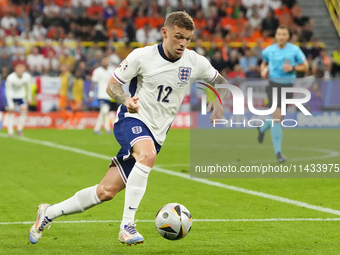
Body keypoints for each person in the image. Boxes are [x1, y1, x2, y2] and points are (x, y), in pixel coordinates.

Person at [28, 11, 228, 246]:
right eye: (178, 36)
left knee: (105, 192)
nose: (183, 43)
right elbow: (112, 86)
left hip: (157, 133)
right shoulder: (141, 56)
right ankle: (127, 226)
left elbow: (221, 83)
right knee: (147, 155)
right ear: (164, 33)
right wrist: (126, 100)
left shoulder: (195, 62)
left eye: (188, 38)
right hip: (131, 119)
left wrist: (218, 105)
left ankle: (48, 213)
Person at [258, 25, 308, 163]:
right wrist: (263, 70)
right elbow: (264, 63)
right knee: (276, 118)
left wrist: (292, 67)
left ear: (288, 36)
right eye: (279, 33)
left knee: (279, 118)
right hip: (273, 85)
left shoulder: (294, 50)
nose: (281, 36)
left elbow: (305, 66)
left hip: (288, 87)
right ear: (275, 35)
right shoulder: (268, 50)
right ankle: (278, 152)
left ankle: (262, 128)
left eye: (284, 34)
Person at [5, 63, 32, 137]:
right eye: (18, 68)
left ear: (24, 69)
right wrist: (10, 103)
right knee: (10, 111)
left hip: (21, 95)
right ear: (15, 69)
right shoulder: (10, 78)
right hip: (12, 95)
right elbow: (8, 91)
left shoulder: (27, 77)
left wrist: (29, 98)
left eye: (21, 67)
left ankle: (19, 129)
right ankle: (10, 132)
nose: (20, 70)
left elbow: (29, 88)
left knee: (24, 110)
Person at [89, 57, 115, 135]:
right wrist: (91, 93)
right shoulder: (97, 71)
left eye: (106, 60)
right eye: (104, 60)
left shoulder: (112, 70)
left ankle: (97, 129)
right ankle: (108, 129)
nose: (105, 62)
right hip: (101, 94)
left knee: (103, 112)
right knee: (104, 110)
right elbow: (93, 83)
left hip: (109, 95)